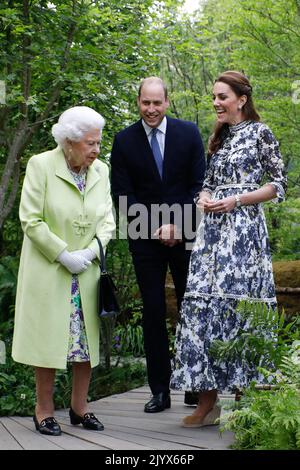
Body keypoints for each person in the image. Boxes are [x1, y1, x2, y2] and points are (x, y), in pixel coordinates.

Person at [170, 70, 287, 427]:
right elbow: (206, 183)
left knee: (241, 308)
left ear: (241, 99)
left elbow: (278, 185)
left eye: (222, 97)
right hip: (212, 235)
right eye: (214, 97)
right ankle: (207, 403)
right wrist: (205, 197)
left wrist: (237, 200)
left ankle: (244, 401)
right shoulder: (218, 138)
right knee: (205, 306)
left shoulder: (260, 133)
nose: (216, 103)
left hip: (245, 234)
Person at [12, 106, 116, 436]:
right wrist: (63, 254)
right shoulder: (41, 165)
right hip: (51, 271)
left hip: (86, 271)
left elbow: (109, 221)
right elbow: (31, 219)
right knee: (49, 342)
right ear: (69, 142)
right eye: (90, 143)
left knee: (85, 344)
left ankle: (79, 408)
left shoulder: (101, 170)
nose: (96, 149)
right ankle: (43, 411)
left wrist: (91, 251)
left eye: (98, 142)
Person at [111, 77, 206, 413]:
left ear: (167, 102)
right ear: (138, 102)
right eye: (145, 103)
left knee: (191, 309)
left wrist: (179, 226)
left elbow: (200, 185)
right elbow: (123, 195)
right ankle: (160, 391)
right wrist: (156, 228)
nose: (151, 110)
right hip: (145, 239)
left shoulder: (189, 133)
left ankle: (195, 385)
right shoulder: (123, 141)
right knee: (152, 312)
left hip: (187, 235)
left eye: (157, 103)